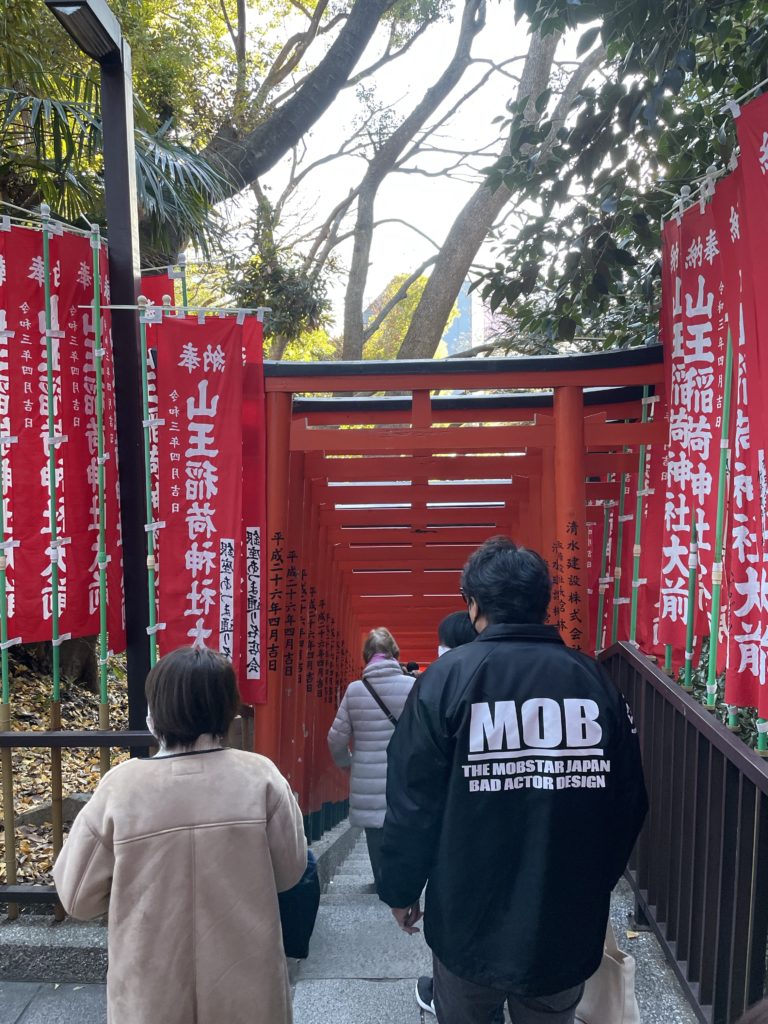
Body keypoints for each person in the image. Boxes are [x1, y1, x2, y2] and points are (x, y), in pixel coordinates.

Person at [379, 536, 648, 1024]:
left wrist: (400, 888)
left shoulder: (444, 681)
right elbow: (629, 799)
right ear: (542, 602)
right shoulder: (593, 682)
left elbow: (412, 802)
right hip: (564, 913)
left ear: (474, 604)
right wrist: (595, 882)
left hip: (466, 915)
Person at [53, 646, 307, 1024]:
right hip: (246, 989)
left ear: (155, 712)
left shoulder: (120, 788)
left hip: (150, 994)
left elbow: (77, 898)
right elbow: (290, 873)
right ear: (229, 710)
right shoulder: (261, 777)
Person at [327, 627, 414, 895]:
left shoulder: (355, 691)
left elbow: (336, 739)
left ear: (367, 656)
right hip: (406, 774)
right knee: (406, 828)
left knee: (375, 832)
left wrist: (347, 764)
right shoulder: (412, 686)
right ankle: (406, 880)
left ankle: (381, 882)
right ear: (394, 654)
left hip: (366, 772)